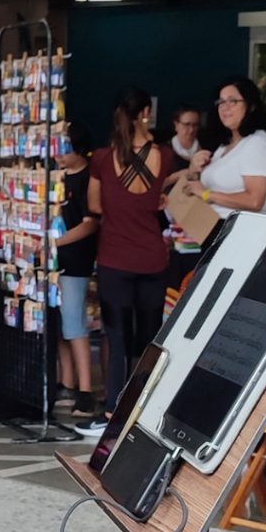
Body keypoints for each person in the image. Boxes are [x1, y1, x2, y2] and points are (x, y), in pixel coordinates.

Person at [76, 88, 174, 437]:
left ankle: (112, 414)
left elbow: (96, 206)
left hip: (115, 260)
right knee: (150, 340)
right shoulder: (166, 155)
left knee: (116, 339)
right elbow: (165, 198)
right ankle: (147, 413)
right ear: (146, 112)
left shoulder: (102, 157)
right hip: (153, 259)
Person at [53, 123, 99, 418]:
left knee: (74, 325)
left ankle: (86, 391)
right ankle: (66, 382)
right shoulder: (58, 177)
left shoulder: (88, 178)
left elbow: (90, 222)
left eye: (64, 147)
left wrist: (57, 241)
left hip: (76, 259)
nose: (57, 153)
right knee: (60, 325)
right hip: (55, 261)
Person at [184, 75, 266, 219]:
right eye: (221, 102)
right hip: (211, 228)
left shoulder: (257, 143)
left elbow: (254, 201)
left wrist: (208, 194)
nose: (224, 107)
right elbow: (199, 190)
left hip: (243, 233)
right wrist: (193, 171)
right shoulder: (225, 146)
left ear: (251, 106)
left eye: (232, 101)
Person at [162, 104, 202, 189]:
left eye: (195, 125)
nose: (191, 130)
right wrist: (180, 174)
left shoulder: (206, 149)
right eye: (187, 124)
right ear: (176, 124)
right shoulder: (163, 151)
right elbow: (155, 186)